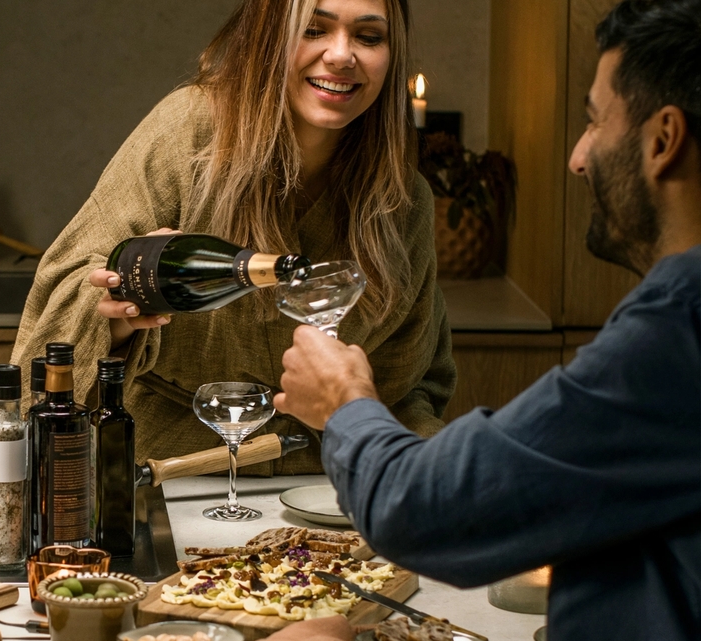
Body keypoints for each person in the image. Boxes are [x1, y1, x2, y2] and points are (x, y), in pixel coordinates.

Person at [273, 0, 701, 638]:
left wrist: (344, 402)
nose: (578, 157)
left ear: (663, 140)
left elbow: (423, 511)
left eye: (593, 122)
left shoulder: (677, 333)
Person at [12, 0, 455, 474]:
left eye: (368, 37)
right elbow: (67, 298)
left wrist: (426, 477)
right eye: (313, 30)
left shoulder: (403, 199)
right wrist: (122, 316)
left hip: (322, 482)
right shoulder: (189, 131)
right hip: (162, 471)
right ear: (270, 35)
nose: (341, 55)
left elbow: (409, 386)